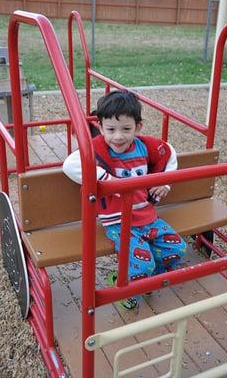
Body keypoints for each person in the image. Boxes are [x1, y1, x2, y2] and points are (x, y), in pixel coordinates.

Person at [63, 90, 187, 309]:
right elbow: (70, 165)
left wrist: (165, 182)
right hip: (120, 222)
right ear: (100, 127)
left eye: (126, 129)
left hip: (147, 217)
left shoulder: (144, 146)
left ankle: (148, 281)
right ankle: (122, 286)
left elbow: (168, 152)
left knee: (177, 249)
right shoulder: (98, 149)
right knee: (142, 263)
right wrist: (109, 181)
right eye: (110, 129)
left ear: (138, 127)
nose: (118, 137)